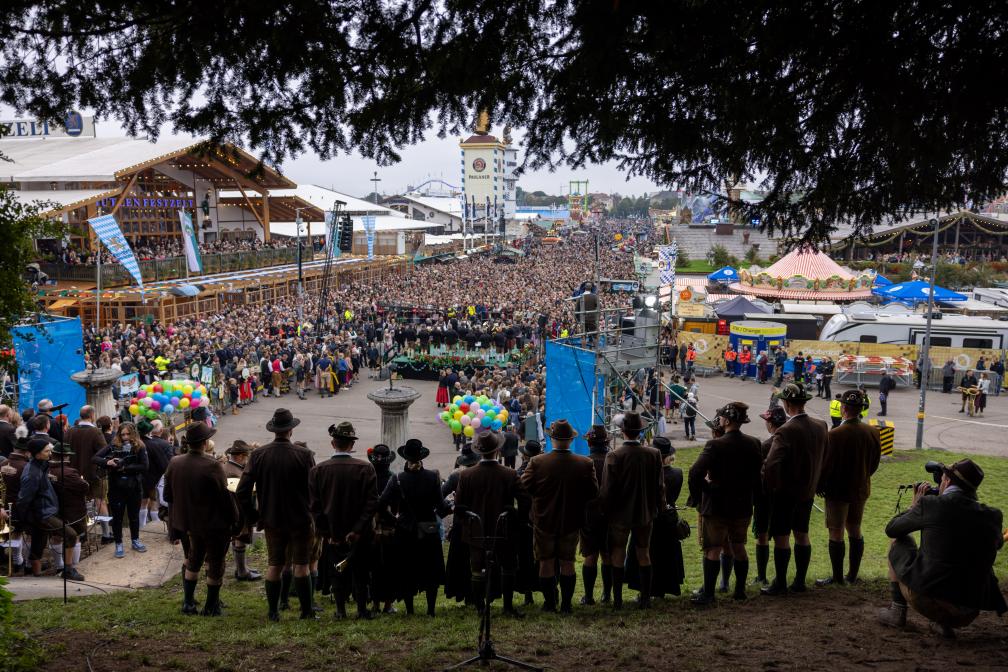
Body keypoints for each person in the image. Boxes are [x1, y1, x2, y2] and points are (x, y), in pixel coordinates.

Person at [877, 459, 1007, 638]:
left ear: (946, 481)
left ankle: (897, 612)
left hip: (927, 600)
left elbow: (892, 529)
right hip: (968, 611)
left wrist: (914, 506)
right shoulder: (993, 516)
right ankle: (941, 623)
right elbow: (997, 543)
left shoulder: (931, 505)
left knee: (898, 541)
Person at [236, 408, 316, 622]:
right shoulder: (305, 455)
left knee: (275, 565)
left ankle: (273, 612)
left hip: (271, 518)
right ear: (291, 430)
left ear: (274, 430)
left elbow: (242, 490)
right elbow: (314, 489)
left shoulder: (258, 455)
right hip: (300, 518)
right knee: (301, 565)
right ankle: (306, 612)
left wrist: (252, 514)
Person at [520, 419, 599, 613]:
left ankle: (549, 604)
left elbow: (524, 487)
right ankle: (565, 604)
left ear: (551, 438)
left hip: (543, 519)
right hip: (571, 520)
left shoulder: (537, 462)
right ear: (571, 440)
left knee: (545, 562)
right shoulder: (584, 463)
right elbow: (593, 492)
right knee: (567, 562)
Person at [688, 402, 762, 605]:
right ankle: (739, 591)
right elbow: (757, 477)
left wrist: (705, 490)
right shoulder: (754, 442)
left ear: (726, 421)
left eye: (721, 418)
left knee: (712, 548)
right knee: (739, 546)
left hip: (718, 505)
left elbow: (695, 472)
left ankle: (709, 595)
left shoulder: (715, 445)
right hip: (743, 504)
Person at [163, 423, 238, 616]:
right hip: (212, 523)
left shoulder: (175, 462)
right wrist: (235, 519)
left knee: (193, 559)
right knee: (215, 563)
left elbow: (168, 496)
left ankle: (188, 603)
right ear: (205, 443)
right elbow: (224, 497)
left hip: (187, 523)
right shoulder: (213, 465)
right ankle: (211, 606)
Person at [761, 383, 828, 596]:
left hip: (785, 493)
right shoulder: (821, 425)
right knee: (802, 534)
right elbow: (825, 456)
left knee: (781, 536)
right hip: (807, 491)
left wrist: (773, 485)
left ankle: (780, 582)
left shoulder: (785, 430)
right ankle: (799, 581)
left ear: (787, 403)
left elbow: (772, 464)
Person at [310, 422, 379, 619]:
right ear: (351, 444)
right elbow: (371, 503)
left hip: (333, 532)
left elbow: (315, 506)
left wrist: (326, 533)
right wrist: (357, 529)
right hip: (361, 533)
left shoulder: (318, 470)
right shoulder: (366, 468)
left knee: (336, 571)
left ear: (333, 444)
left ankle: (340, 611)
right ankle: (362, 610)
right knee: (361, 571)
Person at [454, 431, 524, 617]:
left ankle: (480, 608)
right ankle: (507, 607)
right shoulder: (509, 473)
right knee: (508, 567)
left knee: (477, 569)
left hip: (476, 529)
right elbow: (524, 499)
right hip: (504, 528)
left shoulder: (467, 475)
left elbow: (459, 505)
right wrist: (516, 516)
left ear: (479, 452)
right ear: (498, 450)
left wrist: (466, 523)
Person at [378, 438, 451, 617]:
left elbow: (381, 504)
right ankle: (431, 610)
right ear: (421, 457)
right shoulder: (433, 476)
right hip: (429, 529)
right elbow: (441, 506)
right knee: (430, 571)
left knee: (407, 570)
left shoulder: (397, 479)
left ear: (406, 458)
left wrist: (395, 521)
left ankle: (410, 610)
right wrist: (449, 508)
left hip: (404, 530)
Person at [815, 390, 881, 587]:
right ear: (861, 409)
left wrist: (820, 485)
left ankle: (837, 578)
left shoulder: (834, 434)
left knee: (836, 531)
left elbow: (826, 464)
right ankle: (852, 575)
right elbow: (874, 463)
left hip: (838, 491)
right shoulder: (873, 431)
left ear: (843, 409)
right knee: (855, 529)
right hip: (860, 488)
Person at [600, 411, 664, 610]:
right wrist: (659, 508)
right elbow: (660, 486)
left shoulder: (614, 455)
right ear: (640, 431)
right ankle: (645, 598)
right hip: (645, 512)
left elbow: (607, 490)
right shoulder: (654, 454)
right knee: (643, 553)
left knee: (618, 553)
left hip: (619, 514)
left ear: (622, 430)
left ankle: (617, 600)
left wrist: (605, 511)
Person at [16, 436, 82, 580]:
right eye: (47, 451)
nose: (50, 454)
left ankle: (35, 574)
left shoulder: (41, 465)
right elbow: (24, 499)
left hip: (46, 510)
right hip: (43, 514)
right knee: (70, 535)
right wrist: (26, 519)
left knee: (39, 541)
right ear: (37, 453)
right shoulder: (32, 474)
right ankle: (68, 570)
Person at [93, 421, 149, 558]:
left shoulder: (140, 446)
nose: (125, 437)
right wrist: (108, 462)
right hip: (116, 487)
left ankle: (135, 540)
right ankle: (118, 543)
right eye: (122, 434)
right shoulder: (113, 445)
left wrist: (126, 468)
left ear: (133, 434)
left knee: (133, 516)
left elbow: (145, 466)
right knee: (117, 518)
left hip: (134, 486)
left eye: (128, 434)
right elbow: (95, 458)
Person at [66, 405, 112, 542]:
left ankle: (82, 533)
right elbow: (105, 453)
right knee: (100, 502)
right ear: (92, 415)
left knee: (81, 503)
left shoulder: (70, 431)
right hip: (95, 473)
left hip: (74, 473)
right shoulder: (95, 432)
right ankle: (106, 535)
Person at [753, 406, 787, 586]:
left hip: (765, 495)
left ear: (771, 423)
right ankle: (779, 577)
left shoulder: (766, 445)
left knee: (762, 535)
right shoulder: (790, 440)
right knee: (783, 536)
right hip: (784, 494)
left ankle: (761, 575)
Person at [48, 441, 89, 580]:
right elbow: (84, 487)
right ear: (64, 456)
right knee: (74, 536)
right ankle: (71, 566)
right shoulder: (69, 472)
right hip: (71, 510)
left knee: (56, 537)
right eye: (68, 456)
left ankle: (60, 565)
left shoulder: (46, 469)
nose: (69, 458)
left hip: (53, 511)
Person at [579, 426, 611, 605]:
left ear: (589, 442)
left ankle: (589, 596)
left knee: (590, 556)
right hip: (610, 513)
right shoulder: (612, 460)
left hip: (589, 515)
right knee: (607, 555)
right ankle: (607, 595)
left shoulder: (584, 462)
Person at [222, 440, 261, 581]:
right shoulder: (233, 472)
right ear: (239, 456)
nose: (247, 459)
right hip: (238, 512)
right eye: (246, 455)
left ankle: (242, 568)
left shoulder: (230, 468)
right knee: (240, 540)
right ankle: (242, 571)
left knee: (237, 540)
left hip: (235, 511)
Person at [367, 443, 399, 614]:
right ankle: (388, 603)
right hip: (390, 528)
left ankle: (374, 604)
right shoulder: (393, 478)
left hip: (370, 528)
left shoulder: (367, 477)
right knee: (389, 566)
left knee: (373, 567)